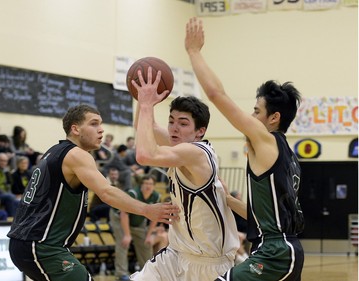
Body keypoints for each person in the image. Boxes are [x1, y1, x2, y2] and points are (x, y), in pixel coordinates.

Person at [185, 17, 305, 281]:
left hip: (275, 252)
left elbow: (217, 95)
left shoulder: (265, 140)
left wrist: (194, 52)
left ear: (273, 118)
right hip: (283, 250)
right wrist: (227, 199)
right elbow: (261, 215)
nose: (250, 116)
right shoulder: (288, 156)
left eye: (256, 111)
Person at [7, 104, 179, 281]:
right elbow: (106, 192)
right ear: (75, 128)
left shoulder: (52, 152)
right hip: (41, 245)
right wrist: (147, 210)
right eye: (94, 124)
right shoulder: (77, 155)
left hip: (29, 242)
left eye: (101, 124)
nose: (101, 130)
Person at [129, 70, 240, 281]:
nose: (174, 128)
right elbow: (145, 127)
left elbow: (144, 154)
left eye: (183, 123)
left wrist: (145, 105)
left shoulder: (196, 153)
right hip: (177, 254)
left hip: (209, 263)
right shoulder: (178, 144)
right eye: (171, 121)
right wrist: (142, 97)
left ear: (200, 131)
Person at [110, 175, 161, 281]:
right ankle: (121, 274)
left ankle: (148, 272)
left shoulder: (156, 196)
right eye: (146, 183)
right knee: (123, 242)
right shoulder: (134, 193)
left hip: (137, 221)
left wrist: (148, 235)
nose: (148, 186)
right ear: (141, 185)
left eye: (151, 184)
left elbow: (155, 217)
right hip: (120, 218)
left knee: (146, 244)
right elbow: (124, 214)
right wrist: (127, 235)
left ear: (154, 186)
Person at [0, 152, 19, 216]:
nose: (3, 163)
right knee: (10, 197)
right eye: (1, 160)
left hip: (3, 194)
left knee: (18, 202)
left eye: (5, 161)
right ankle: (11, 220)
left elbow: (8, 186)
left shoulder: (5, 171)